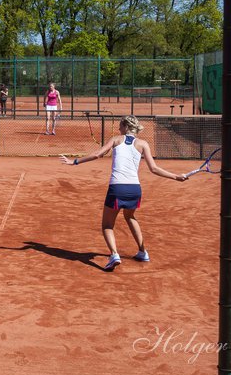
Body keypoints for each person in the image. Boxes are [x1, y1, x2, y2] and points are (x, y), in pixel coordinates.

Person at [60, 115, 188, 270]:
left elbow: (97, 154)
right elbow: (154, 168)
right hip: (135, 189)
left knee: (107, 225)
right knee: (129, 216)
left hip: (117, 188)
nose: (119, 128)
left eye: (120, 125)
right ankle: (143, 252)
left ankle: (114, 255)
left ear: (126, 127)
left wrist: (74, 161)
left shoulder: (116, 140)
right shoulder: (143, 144)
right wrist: (176, 176)